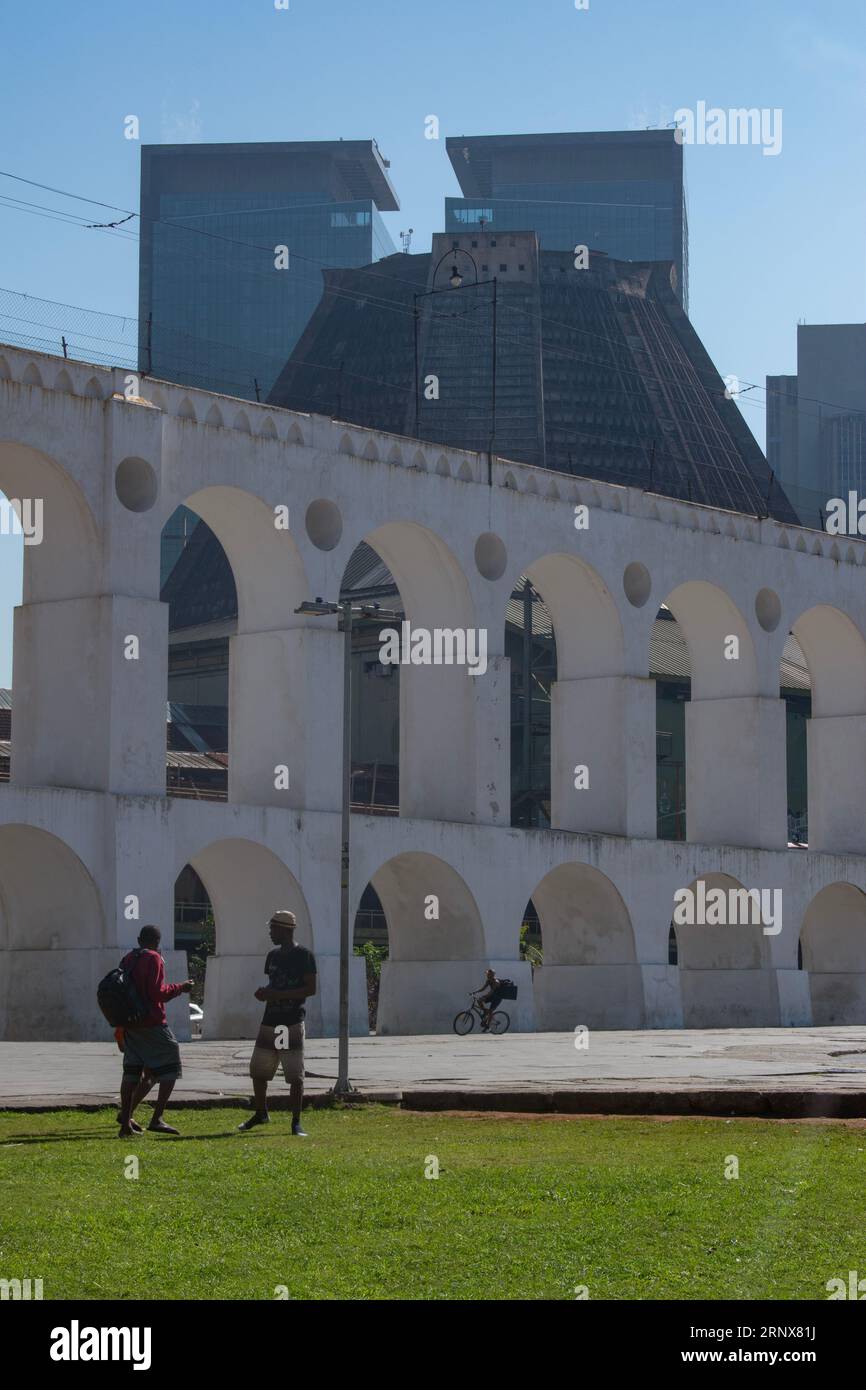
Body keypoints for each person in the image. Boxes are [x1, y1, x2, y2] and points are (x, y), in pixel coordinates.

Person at [239, 910, 317, 1137]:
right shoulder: (272, 956)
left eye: (273, 928)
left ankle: (296, 1122)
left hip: (290, 1021)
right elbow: (274, 982)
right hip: (270, 1020)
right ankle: (261, 1113)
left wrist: (276, 995)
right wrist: (266, 993)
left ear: (286, 929)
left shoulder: (304, 956)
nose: (270, 933)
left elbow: (310, 989)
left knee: (294, 1074)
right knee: (258, 1071)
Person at [117, 925, 193, 1138]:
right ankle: (157, 1118)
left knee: (131, 1073)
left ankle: (125, 1124)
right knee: (170, 1066)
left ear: (139, 938)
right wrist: (181, 987)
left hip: (131, 1023)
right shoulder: (154, 959)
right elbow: (157, 993)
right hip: (152, 1022)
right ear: (158, 942)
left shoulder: (128, 959)